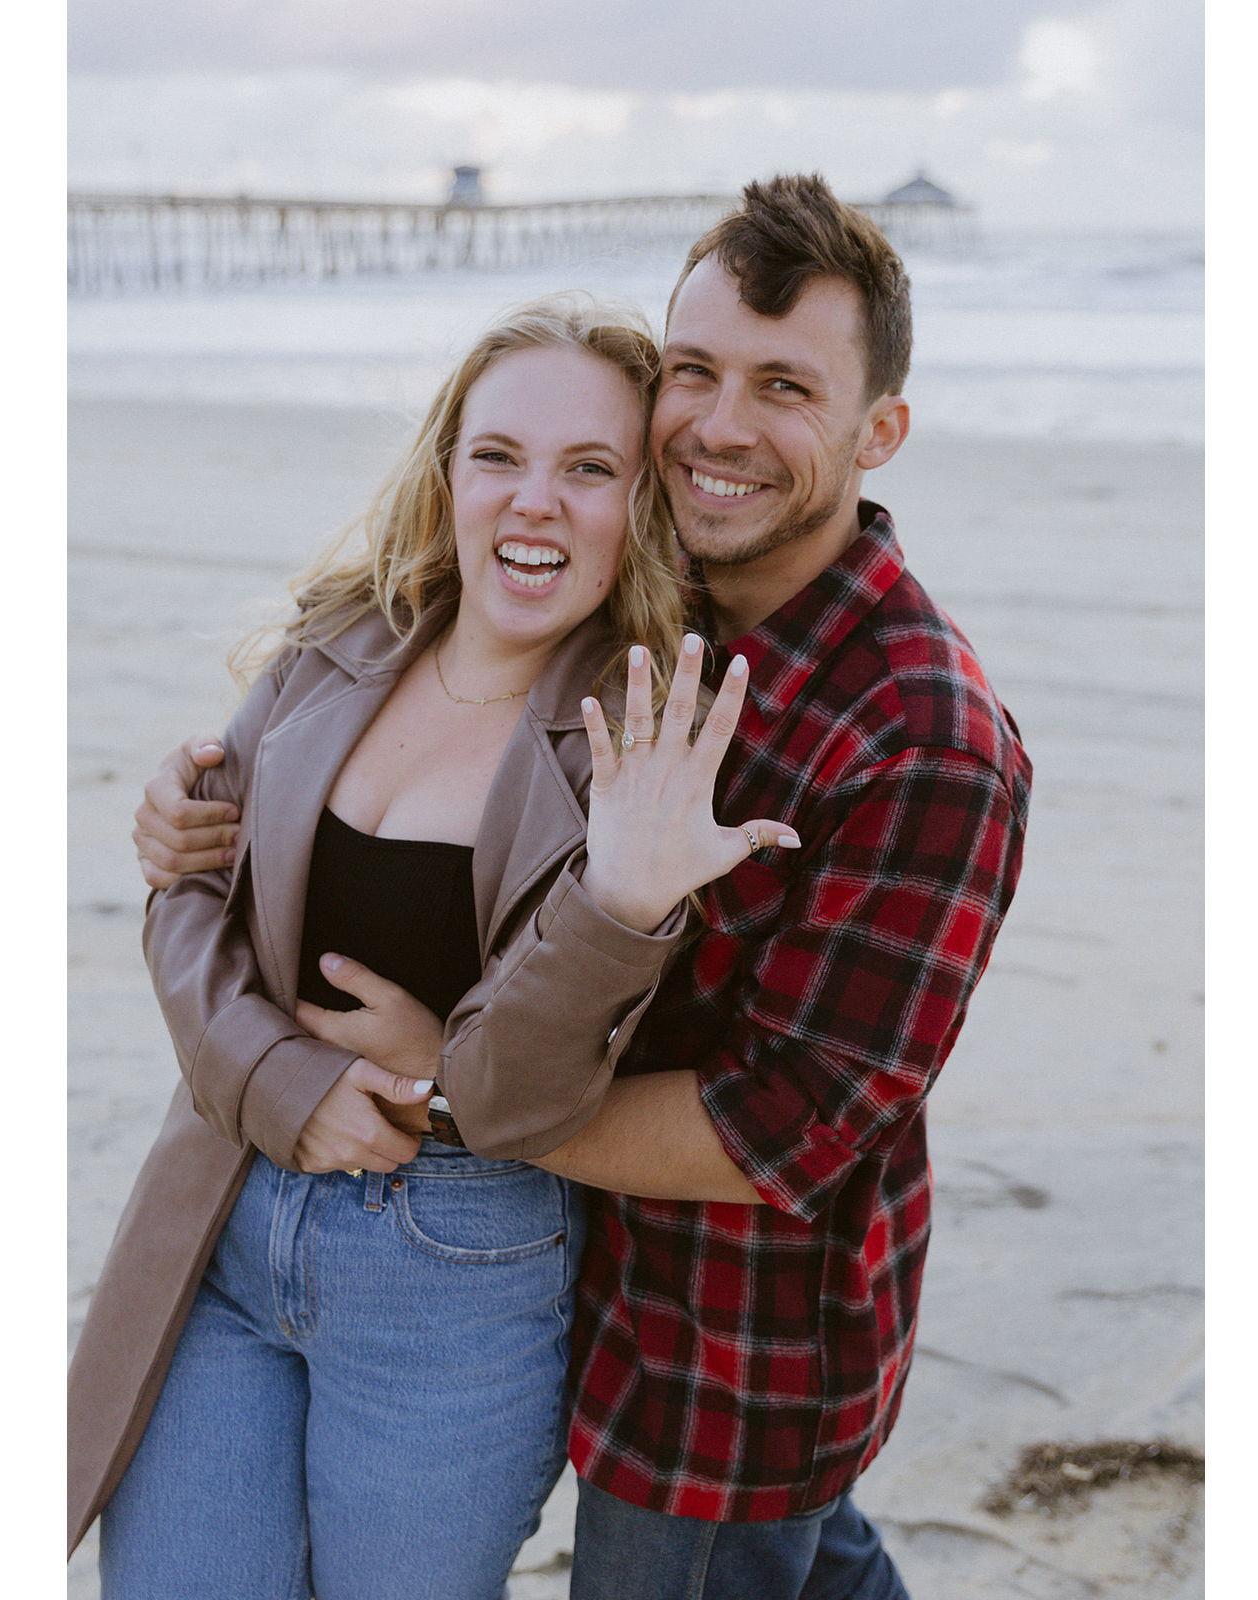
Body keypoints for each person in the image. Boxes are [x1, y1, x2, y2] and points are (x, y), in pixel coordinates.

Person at [131, 175, 1034, 1600]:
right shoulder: (638, 614)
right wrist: (198, 829)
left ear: (880, 433)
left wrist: (456, 1086)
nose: (720, 426)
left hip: (716, 1348)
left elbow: (784, 1130)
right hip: (538, 1259)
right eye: (695, 371)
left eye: (786, 387)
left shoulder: (924, 740)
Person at [68, 294, 799, 1597]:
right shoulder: (339, 642)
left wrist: (620, 907)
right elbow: (190, 899)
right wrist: (281, 1083)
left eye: (590, 468)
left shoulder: (636, 732)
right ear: (448, 469)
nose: (535, 501)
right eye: (499, 455)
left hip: (456, 1268)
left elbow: (527, 1098)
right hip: (225, 1210)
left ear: (639, 505)